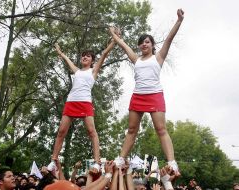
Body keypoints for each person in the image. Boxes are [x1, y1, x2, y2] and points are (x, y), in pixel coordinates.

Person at [109, 9, 184, 175]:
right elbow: (122, 44)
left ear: (152, 45)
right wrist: (114, 34)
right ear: (139, 46)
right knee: (131, 130)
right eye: (142, 42)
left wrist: (179, 21)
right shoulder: (136, 59)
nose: (144, 44)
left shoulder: (158, 58)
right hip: (137, 97)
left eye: (147, 42)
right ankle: (121, 158)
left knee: (161, 129)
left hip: (155, 95)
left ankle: (172, 163)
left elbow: (170, 39)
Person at [50, 37, 116, 173]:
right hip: (71, 102)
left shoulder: (93, 71)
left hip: (85, 103)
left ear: (92, 60)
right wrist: (60, 52)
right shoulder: (77, 71)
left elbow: (104, 54)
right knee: (61, 131)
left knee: (92, 132)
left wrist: (114, 41)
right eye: (83, 56)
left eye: (88, 56)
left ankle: (97, 162)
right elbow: (67, 60)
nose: (85, 57)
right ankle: (53, 160)